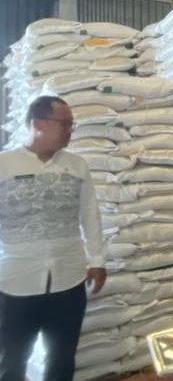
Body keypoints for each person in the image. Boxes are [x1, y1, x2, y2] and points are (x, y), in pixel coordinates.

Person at [0, 96, 106, 381]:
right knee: (11, 362)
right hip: (15, 283)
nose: (71, 130)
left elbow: (90, 214)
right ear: (38, 124)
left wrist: (97, 260)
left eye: (72, 124)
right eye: (66, 124)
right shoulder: (4, 165)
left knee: (61, 360)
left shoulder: (77, 165)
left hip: (68, 281)